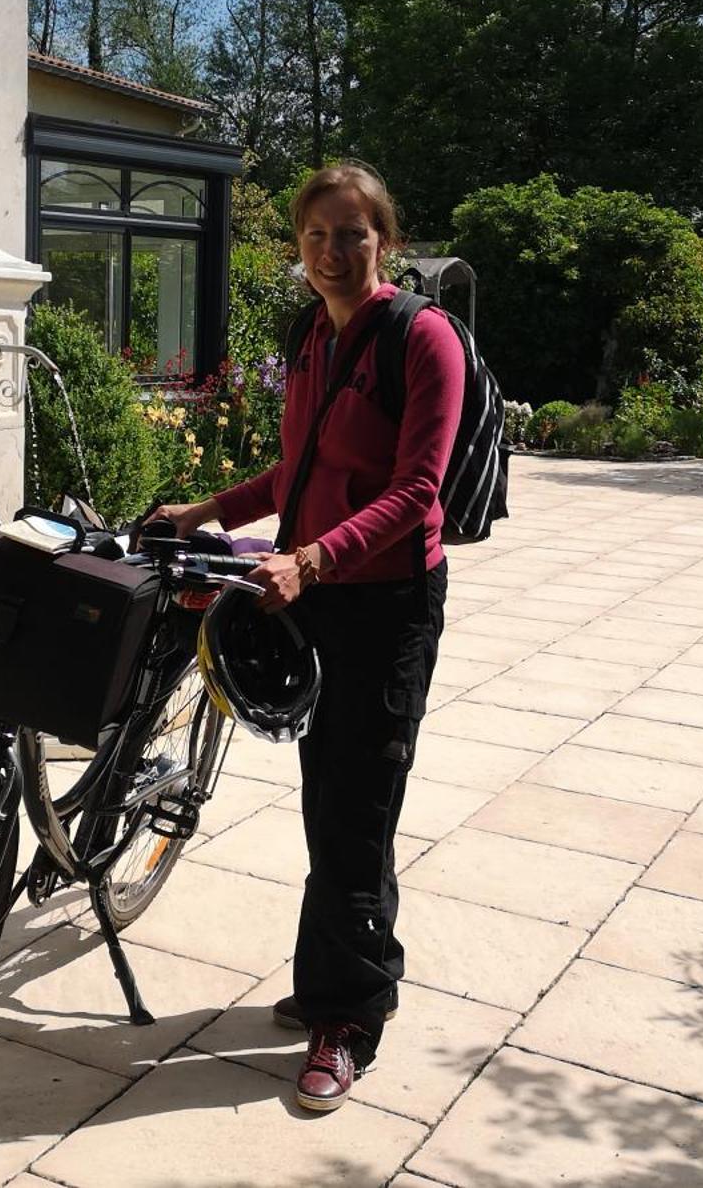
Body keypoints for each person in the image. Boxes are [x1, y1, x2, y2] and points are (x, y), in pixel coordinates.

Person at [153, 162, 463, 1112]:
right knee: (329, 795)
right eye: (318, 236)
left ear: (388, 242)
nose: (334, 251)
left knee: (357, 808)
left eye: (353, 234)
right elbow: (299, 468)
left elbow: (419, 493)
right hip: (314, 589)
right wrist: (205, 506)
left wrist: (312, 561)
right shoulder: (309, 336)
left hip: (384, 605)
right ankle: (353, 969)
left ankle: (349, 1019)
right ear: (299, 246)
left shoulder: (425, 339)